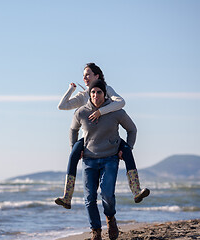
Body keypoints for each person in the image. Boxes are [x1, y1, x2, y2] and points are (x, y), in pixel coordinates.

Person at [55, 63, 149, 210]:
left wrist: (101, 112)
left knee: (127, 151)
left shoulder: (107, 89)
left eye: (88, 74)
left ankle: (136, 191)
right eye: (84, 75)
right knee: (73, 153)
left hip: (109, 134)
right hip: (89, 138)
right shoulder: (83, 95)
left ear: (97, 76)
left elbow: (121, 102)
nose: (85, 77)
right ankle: (67, 197)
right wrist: (71, 90)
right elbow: (62, 106)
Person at [71, 79, 137, 240]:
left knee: (107, 194)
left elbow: (132, 129)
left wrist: (127, 149)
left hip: (110, 159)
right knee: (89, 198)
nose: (95, 95)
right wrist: (75, 148)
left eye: (99, 92)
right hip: (89, 160)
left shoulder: (116, 112)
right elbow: (73, 129)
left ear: (104, 94)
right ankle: (96, 232)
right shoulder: (81, 112)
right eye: (92, 92)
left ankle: (110, 218)